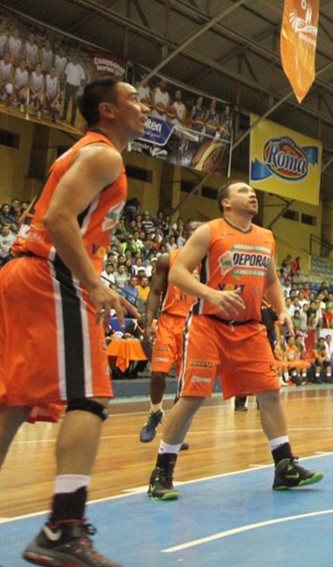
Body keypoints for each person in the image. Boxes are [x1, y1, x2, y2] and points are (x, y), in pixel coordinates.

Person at [0, 77, 147, 566]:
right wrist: (94, 282)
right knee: (90, 393)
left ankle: (63, 528)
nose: (143, 106)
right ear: (107, 110)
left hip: (26, 273)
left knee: (16, 401)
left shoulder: (87, 152)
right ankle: (63, 528)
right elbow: (59, 219)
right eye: (134, 99)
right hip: (52, 273)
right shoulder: (104, 155)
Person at [146, 182, 323, 501]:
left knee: (270, 393)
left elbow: (271, 281)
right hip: (208, 326)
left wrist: (282, 310)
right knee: (192, 397)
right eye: (243, 191)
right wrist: (210, 293)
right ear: (226, 202)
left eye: (253, 191)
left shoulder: (266, 237)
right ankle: (162, 471)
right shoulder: (209, 232)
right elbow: (178, 274)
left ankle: (285, 466)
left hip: (250, 329)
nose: (252, 194)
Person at [138, 222, 202, 444]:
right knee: (158, 374)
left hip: (194, 324)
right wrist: (148, 323)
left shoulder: (210, 265)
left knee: (185, 382)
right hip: (169, 321)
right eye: (193, 232)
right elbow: (155, 291)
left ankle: (176, 430)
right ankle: (155, 412)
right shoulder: (168, 258)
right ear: (185, 234)